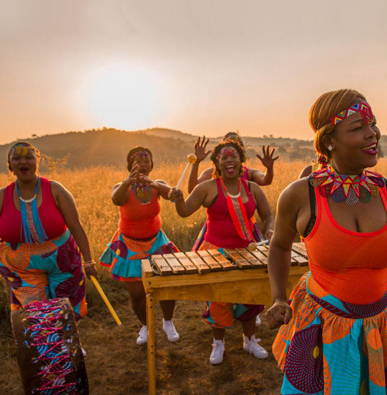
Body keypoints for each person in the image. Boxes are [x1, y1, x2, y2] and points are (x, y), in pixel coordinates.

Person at [266, 89, 387, 395]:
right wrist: (279, 298)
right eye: (359, 127)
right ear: (329, 139)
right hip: (325, 327)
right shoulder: (300, 195)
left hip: (383, 324)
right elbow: (279, 246)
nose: (373, 133)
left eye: (372, 124)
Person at [169, 139, 274, 365]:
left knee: (251, 297)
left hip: (248, 251)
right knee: (219, 299)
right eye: (224, 156)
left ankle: (250, 339)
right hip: (215, 253)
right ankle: (218, 343)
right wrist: (178, 200)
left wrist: (271, 230)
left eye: (233, 156)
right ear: (217, 161)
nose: (229, 159)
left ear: (240, 161)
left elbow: (268, 216)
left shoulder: (252, 188)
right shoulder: (206, 187)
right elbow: (185, 211)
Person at [0, 142, 96, 322]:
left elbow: (76, 226)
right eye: (17, 158)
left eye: (29, 157)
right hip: (23, 270)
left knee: (65, 310)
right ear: (10, 164)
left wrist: (89, 261)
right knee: (38, 315)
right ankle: (49, 349)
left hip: (62, 262)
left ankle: (70, 348)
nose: (23, 161)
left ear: (37, 161)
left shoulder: (55, 189)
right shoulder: (2, 196)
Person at [99, 147, 180, 345]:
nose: (143, 165)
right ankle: (146, 326)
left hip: (157, 243)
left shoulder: (157, 185)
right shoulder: (121, 186)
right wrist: (129, 181)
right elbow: (116, 199)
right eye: (138, 161)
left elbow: (171, 195)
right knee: (136, 294)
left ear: (152, 165)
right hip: (129, 244)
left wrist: (168, 190)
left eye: (147, 161)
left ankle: (168, 322)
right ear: (130, 165)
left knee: (166, 286)